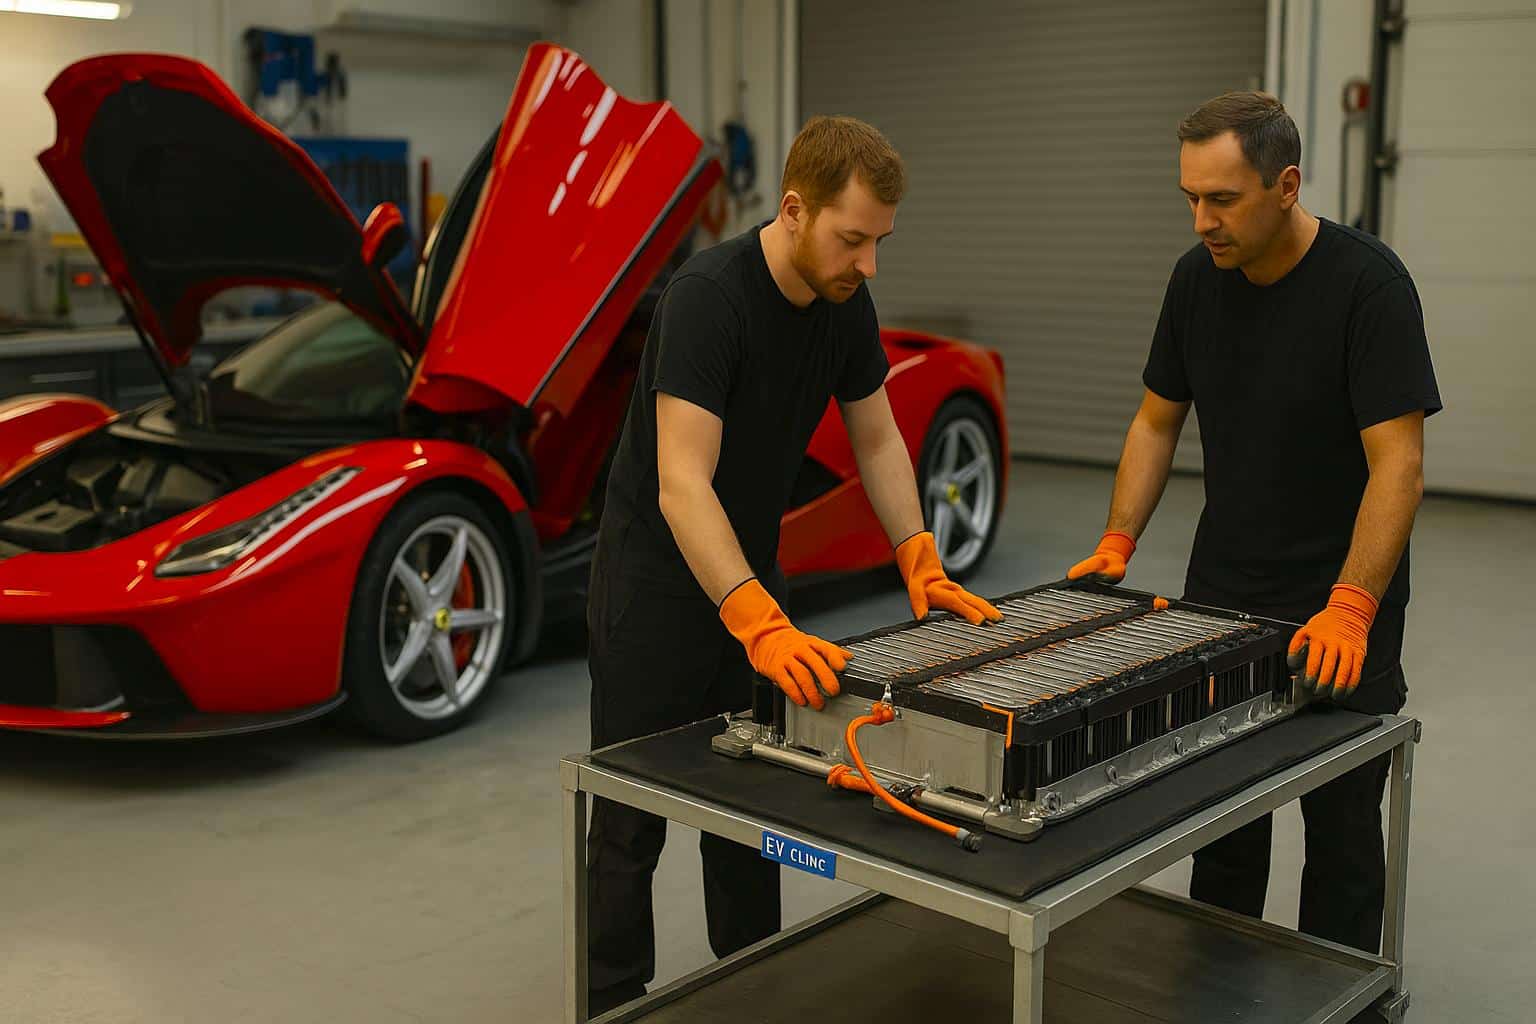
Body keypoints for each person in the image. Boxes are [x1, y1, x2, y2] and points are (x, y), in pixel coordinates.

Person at [585, 115, 1002, 1014]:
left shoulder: (844, 301)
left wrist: (917, 553)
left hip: (751, 583)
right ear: (794, 209)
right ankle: (612, 1002)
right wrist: (758, 622)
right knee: (629, 822)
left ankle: (756, 991)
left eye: (881, 241)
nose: (869, 264)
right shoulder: (708, 299)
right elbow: (681, 485)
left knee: (751, 810)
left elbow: (878, 436)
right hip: (654, 593)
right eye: (853, 239)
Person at [1067, 91, 1440, 954]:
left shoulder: (1368, 287)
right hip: (1223, 596)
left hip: (1340, 602)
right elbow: (1156, 420)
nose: (1203, 221)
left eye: (1223, 199)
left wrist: (1353, 606)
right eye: (1191, 198)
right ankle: (1217, 988)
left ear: (1286, 186)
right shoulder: (1195, 280)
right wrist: (1119, 537)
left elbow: (1399, 465)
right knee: (1223, 823)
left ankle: (1347, 999)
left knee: (1341, 830)